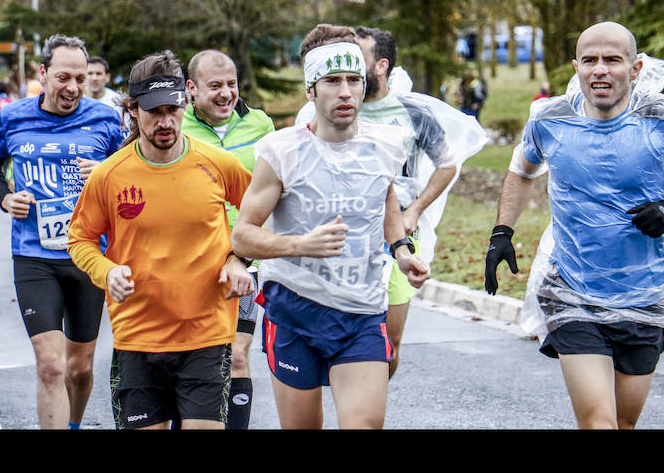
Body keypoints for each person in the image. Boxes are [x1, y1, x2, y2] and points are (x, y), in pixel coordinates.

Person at [484, 21, 664, 430]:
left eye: (612, 60)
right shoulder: (549, 119)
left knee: (623, 423)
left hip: (644, 297)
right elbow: (521, 172)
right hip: (570, 293)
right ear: (576, 67)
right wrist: (502, 232)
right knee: (598, 422)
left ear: (636, 68)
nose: (599, 70)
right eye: (589, 60)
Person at [231, 24, 430, 430]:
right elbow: (243, 235)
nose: (345, 92)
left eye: (353, 80)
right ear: (311, 90)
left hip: (360, 312)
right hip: (295, 311)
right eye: (332, 81)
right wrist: (299, 244)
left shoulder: (386, 145)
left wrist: (402, 251)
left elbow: (385, 201)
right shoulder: (281, 151)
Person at [67, 50, 254, 430]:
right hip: (138, 339)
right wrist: (107, 271)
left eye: (174, 109)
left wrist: (239, 259)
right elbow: (80, 239)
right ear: (133, 110)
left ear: (184, 102)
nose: (166, 122)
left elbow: (259, 217)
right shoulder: (110, 175)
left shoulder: (219, 164)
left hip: (206, 333)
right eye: (154, 112)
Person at [297, 26, 485, 379]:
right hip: (343, 232)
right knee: (335, 336)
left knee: (389, 341)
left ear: (381, 66)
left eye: (359, 58)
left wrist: (415, 210)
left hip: (397, 234)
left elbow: (448, 164)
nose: (348, 64)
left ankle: (367, 397)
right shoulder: (333, 108)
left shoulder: (412, 113)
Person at [0, 34, 126, 430]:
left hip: (89, 255)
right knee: (51, 367)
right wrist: (6, 198)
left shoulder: (106, 119)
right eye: (63, 77)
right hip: (33, 255)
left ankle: (74, 423)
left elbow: (135, 174)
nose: (72, 87)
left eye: (79, 78)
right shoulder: (12, 117)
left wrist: (107, 173)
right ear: (42, 74)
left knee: (79, 368)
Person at [181, 49, 275, 430]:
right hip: (189, 262)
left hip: (244, 261)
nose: (225, 94)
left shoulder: (261, 125)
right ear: (191, 88)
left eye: (231, 84)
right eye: (214, 86)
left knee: (237, 355)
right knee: (188, 357)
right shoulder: (176, 128)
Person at [85, 56, 129, 128]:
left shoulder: (117, 101)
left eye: (98, 74)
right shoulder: (75, 99)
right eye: (90, 73)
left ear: (107, 77)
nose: (94, 78)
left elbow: (125, 130)